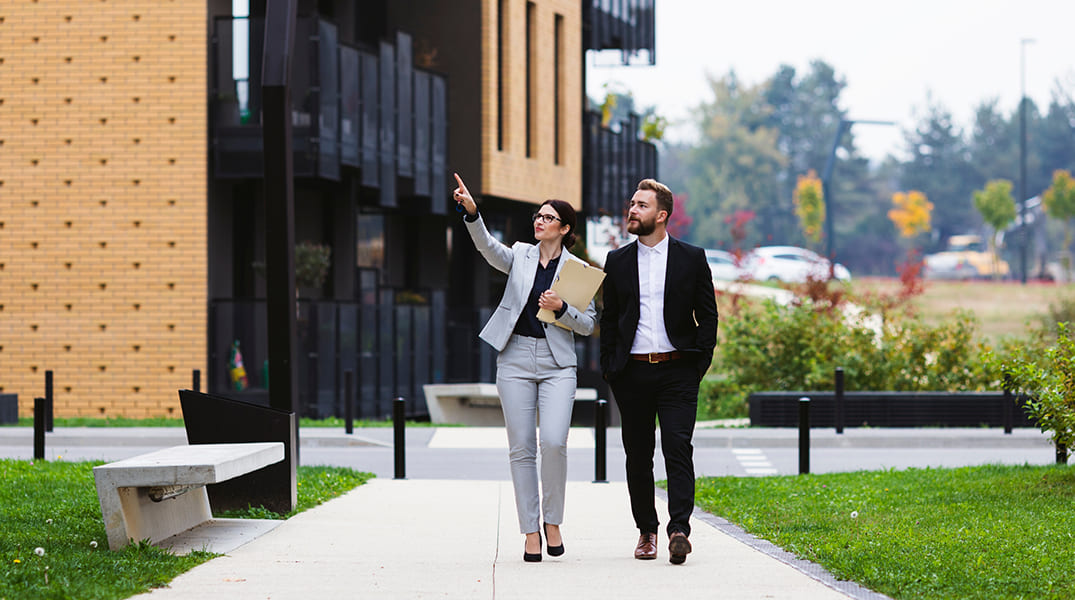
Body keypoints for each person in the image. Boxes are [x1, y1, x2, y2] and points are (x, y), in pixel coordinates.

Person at [452, 173, 598, 563]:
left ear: (565, 229)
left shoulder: (579, 270)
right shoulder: (519, 254)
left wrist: (562, 309)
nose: (539, 221)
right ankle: (531, 531)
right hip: (514, 357)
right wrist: (472, 213)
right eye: (538, 215)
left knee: (553, 442)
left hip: (557, 364)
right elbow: (487, 248)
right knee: (521, 449)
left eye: (548, 218)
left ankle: (554, 521)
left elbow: (588, 324)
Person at [599, 178, 718, 565]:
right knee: (638, 455)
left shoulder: (692, 258)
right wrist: (610, 368)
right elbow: (611, 318)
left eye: (641, 205)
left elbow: (708, 316)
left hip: (678, 371)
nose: (632, 210)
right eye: (632, 203)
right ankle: (646, 531)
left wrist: (697, 362)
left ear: (662, 215)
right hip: (631, 373)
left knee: (678, 449)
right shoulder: (616, 261)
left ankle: (678, 529)